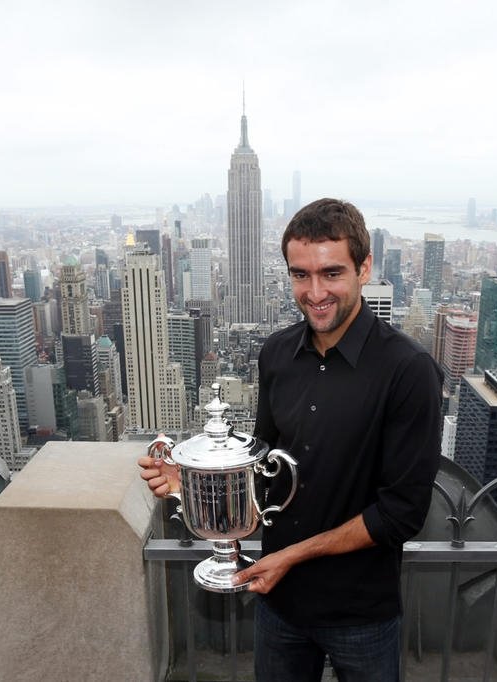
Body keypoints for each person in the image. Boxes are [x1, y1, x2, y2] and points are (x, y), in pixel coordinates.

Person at [139, 198, 443, 681]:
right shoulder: (277, 353)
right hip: (279, 605)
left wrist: (291, 556)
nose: (315, 292)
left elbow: (402, 512)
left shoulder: (408, 370)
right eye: (301, 275)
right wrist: (193, 484)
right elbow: (264, 470)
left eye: (331, 273)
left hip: (361, 614)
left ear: (364, 268)